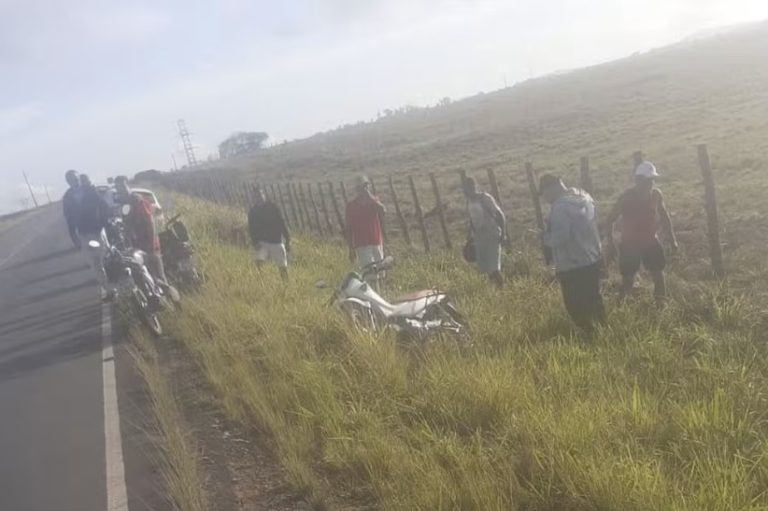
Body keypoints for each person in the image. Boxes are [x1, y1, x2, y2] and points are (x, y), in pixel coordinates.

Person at [604, 161, 679, 302]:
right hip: (629, 243)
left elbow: (664, 215)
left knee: (658, 274)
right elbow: (610, 219)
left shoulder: (656, 195)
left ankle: (661, 305)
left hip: (650, 241)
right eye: (647, 180)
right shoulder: (626, 198)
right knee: (628, 279)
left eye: (652, 180)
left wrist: (672, 239)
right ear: (638, 180)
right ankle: (620, 307)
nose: (651, 183)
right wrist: (610, 243)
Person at [539, 174, 605, 333]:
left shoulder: (559, 207)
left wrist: (545, 238)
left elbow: (561, 237)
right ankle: (602, 332)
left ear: (550, 189)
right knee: (594, 298)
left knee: (574, 304)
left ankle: (588, 335)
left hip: (571, 264)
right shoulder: (583, 196)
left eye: (544, 193)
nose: (545, 198)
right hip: (591, 258)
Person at [114, 176, 168, 284]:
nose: (122, 190)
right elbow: (127, 225)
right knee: (148, 276)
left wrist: (152, 245)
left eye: (123, 186)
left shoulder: (138, 201)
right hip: (137, 245)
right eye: (118, 188)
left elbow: (150, 222)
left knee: (159, 276)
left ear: (128, 185)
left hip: (148, 242)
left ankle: (172, 298)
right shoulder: (124, 204)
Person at [462, 176, 506, 288]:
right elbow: (472, 221)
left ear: (474, 187)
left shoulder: (485, 198)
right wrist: (469, 238)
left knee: (494, 268)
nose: (467, 191)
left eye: (469, 187)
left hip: (491, 235)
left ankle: (502, 290)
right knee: (485, 269)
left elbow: (499, 215)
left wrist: (503, 234)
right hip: (479, 238)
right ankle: (494, 291)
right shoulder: (469, 202)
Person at [345, 175, 386, 288]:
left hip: (376, 242)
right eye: (362, 187)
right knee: (370, 276)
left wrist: (371, 198)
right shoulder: (351, 206)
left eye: (366, 186)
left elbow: (383, 211)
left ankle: (382, 298)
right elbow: (348, 228)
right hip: (362, 245)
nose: (364, 189)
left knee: (380, 274)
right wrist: (351, 248)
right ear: (357, 189)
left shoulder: (374, 202)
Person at [76, 174, 111, 297]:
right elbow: (70, 218)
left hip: (95, 231)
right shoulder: (72, 197)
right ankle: (108, 289)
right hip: (87, 233)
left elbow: (105, 207)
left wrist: (103, 224)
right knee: (98, 263)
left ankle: (110, 288)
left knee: (103, 260)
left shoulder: (92, 192)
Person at [247, 186, 291, 280]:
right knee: (258, 265)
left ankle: (286, 286)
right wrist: (255, 242)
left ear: (264, 195)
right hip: (262, 243)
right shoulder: (252, 212)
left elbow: (281, 222)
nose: (258, 197)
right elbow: (251, 229)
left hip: (276, 242)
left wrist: (287, 239)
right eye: (256, 196)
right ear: (253, 198)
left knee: (282, 267)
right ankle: (261, 286)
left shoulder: (273, 207)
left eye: (260, 195)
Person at [62, 170, 83, 248]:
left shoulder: (89, 189)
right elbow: (68, 218)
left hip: (97, 225)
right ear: (68, 182)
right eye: (71, 180)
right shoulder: (67, 197)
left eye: (76, 179)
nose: (75, 182)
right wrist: (77, 242)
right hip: (84, 228)